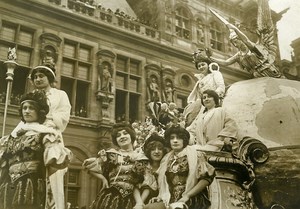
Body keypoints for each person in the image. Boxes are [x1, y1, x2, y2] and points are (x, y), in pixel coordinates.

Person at [0, 90, 72, 209]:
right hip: (8, 188)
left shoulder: (46, 135)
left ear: (39, 111)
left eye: (31, 108)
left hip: (31, 187)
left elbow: (55, 161)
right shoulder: (11, 137)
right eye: (24, 108)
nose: (27, 111)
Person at [82, 122, 156, 209]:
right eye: (118, 135)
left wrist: (140, 203)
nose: (122, 137)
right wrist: (103, 179)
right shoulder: (111, 154)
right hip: (109, 198)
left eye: (125, 133)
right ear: (115, 140)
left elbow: (148, 183)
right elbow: (88, 165)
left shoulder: (141, 158)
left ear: (131, 136)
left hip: (130, 200)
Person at [144, 125, 215, 209]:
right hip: (171, 199)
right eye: (172, 138)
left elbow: (206, 178)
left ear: (184, 140)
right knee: (148, 207)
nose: (175, 141)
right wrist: (160, 196)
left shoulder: (196, 155)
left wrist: (188, 195)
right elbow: (165, 183)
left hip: (192, 198)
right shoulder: (166, 159)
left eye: (179, 138)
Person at [205, 22, 283, 78]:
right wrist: (210, 58)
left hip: (269, 71)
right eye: (233, 43)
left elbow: (246, 40)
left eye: (235, 42)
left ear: (240, 39)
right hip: (256, 76)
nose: (235, 45)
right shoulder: (239, 55)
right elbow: (226, 62)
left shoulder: (252, 48)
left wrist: (235, 29)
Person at [183, 49, 225, 127]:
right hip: (203, 103)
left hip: (215, 100)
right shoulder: (199, 81)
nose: (201, 67)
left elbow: (221, 87)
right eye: (199, 66)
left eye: (203, 64)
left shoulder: (215, 74)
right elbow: (198, 96)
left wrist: (212, 97)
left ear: (208, 65)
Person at [140, 133, 168, 204]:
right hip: (143, 200)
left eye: (160, 149)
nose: (156, 152)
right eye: (153, 149)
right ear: (148, 151)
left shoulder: (167, 166)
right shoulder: (144, 166)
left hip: (163, 199)